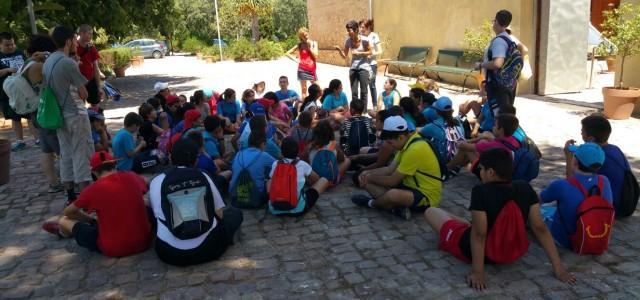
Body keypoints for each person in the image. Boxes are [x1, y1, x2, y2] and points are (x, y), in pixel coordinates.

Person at [424, 148, 576, 290]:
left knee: (431, 211)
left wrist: (478, 272)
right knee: (465, 223)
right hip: (510, 248)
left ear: (490, 172)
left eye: (482, 169)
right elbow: (540, 228)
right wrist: (559, 268)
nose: (480, 172)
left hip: (475, 250)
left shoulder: (481, 191)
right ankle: (464, 225)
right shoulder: (524, 187)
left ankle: (462, 227)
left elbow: (479, 235)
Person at [42, 151, 153, 258]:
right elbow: (148, 185)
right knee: (144, 203)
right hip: (144, 242)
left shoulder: (92, 190)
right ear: (115, 164)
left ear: (94, 172)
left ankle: (63, 232)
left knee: (64, 220)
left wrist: (91, 221)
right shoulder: (131, 176)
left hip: (114, 248)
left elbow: (69, 212)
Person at [150, 138, 243, 266]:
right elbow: (220, 214)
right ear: (196, 160)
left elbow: (157, 215)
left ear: (171, 157)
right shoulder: (203, 176)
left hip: (170, 253)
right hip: (209, 248)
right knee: (235, 213)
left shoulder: (157, 181)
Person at [351, 116, 442, 220]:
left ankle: (371, 203)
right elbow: (389, 169)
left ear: (400, 137)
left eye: (390, 142)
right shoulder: (407, 142)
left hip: (426, 196)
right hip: (410, 186)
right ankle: (397, 208)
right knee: (365, 179)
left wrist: (370, 177)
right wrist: (366, 174)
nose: (390, 146)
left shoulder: (415, 149)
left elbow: (392, 181)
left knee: (392, 194)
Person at [43, 26, 94, 204]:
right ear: (67, 41)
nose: (75, 42)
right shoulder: (68, 63)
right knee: (81, 152)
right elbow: (84, 94)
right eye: (74, 39)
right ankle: (86, 197)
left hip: (59, 115)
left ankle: (70, 195)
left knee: (66, 153)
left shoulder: (49, 61)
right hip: (75, 114)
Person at [541, 142, 613, 250]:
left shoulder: (561, 185)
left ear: (575, 162)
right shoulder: (605, 181)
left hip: (566, 240)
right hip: (595, 235)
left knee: (539, 212)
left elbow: (539, 199)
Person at [566, 114, 634, 216]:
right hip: (626, 201)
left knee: (564, 192)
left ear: (591, 138)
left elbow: (571, 180)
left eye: (582, 131)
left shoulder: (597, 160)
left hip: (612, 208)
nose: (580, 132)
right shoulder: (614, 149)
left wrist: (568, 157)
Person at [266, 137, 330, 216]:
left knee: (270, 179)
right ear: (298, 151)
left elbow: (270, 184)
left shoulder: (275, 164)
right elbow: (316, 178)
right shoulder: (302, 164)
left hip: (275, 208)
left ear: (282, 152)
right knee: (323, 180)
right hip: (298, 208)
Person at [0, 31, 38, 152]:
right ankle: (20, 141)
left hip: (24, 89)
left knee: (30, 115)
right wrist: (7, 70)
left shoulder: (21, 53)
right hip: (8, 93)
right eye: (7, 45)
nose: (10, 47)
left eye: (12, 44)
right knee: (15, 117)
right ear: (0, 45)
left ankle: (38, 139)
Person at [474, 9, 518, 113]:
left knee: (498, 116)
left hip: (497, 86)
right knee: (502, 115)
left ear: (497, 22)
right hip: (506, 83)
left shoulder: (499, 41)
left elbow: (497, 63)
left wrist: (480, 65)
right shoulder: (508, 38)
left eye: (494, 20)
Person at [447, 113, 520, 173]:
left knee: (466, 149)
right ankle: (457, 166)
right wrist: (481, 138)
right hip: (505, 172)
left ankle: (447, 168)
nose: (493, 127)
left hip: (492, 176)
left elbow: (463, 146)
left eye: (495, 125)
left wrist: (459, 142)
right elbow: (490, 139)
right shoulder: (513, 139)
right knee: (483, 140)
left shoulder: (492, 145)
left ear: (501, 129)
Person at [230, 130, 277, 205]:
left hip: (235, 196)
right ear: (263, 144)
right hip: (255, 197)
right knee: (270, 180)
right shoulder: (263, 155)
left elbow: (232, 168)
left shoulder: (239, 154)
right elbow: (277, 166)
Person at [335, 20, 372, 107]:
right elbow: (345, 56)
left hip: (364, 68)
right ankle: (355, 111)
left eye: (349, 30)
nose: (348, 32)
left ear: (356, 30)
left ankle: (363, 111)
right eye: (347, 30)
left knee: (364, 92)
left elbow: (370, 52)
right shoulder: (348, 41)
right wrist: (339, 50)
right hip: (353, 68)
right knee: (354, 92)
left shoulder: (365, 40)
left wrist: (360, 53)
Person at [304, 120, 351, 186]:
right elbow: (341, 159)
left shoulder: (310, 146)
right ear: (330, 132)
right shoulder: (333, 145)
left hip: (315, 179)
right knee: (347, 160)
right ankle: (333, 178)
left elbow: (304, 161)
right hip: (330, 179)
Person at [420, 97, 465, 162]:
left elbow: (420, 132)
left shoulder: (432, 126)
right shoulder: (458, 122)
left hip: (443, 161)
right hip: (458, 157)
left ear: (436, 111)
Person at [286, 28, 318, 100]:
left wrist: (309, 48)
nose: (306, 37)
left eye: (306, 34)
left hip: (312, 69)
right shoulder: (300, 45)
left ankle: (321, 107)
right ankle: (304, 108)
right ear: (301, 37)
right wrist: (297, 60)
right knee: (304, 90)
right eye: (303, 36)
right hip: (302, 69)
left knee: (317, 89)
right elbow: (287, 53)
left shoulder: (313, 43)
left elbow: (316, 56)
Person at [76, 25, 102, 107]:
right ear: (81, 33)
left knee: (95, 105)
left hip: (90, 80)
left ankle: (95, 118)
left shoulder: (91, 48)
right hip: (78, 81)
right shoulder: (74, 47)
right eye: (89, 33)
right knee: (81, 106)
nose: (90, 36)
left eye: (91, 34)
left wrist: (99, 87)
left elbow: (96, 68)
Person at [360, 19, 382, 110]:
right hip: (362, 65)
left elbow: (380, 51)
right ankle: (363, 108)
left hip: (372, 65)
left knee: (372, 85)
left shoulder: (374, 36)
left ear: (368, 27)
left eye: (362, 27)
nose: (361, 29)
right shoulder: (360, 37)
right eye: (360, 27)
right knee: (363, 86)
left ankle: (375, 105)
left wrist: (371, 54)